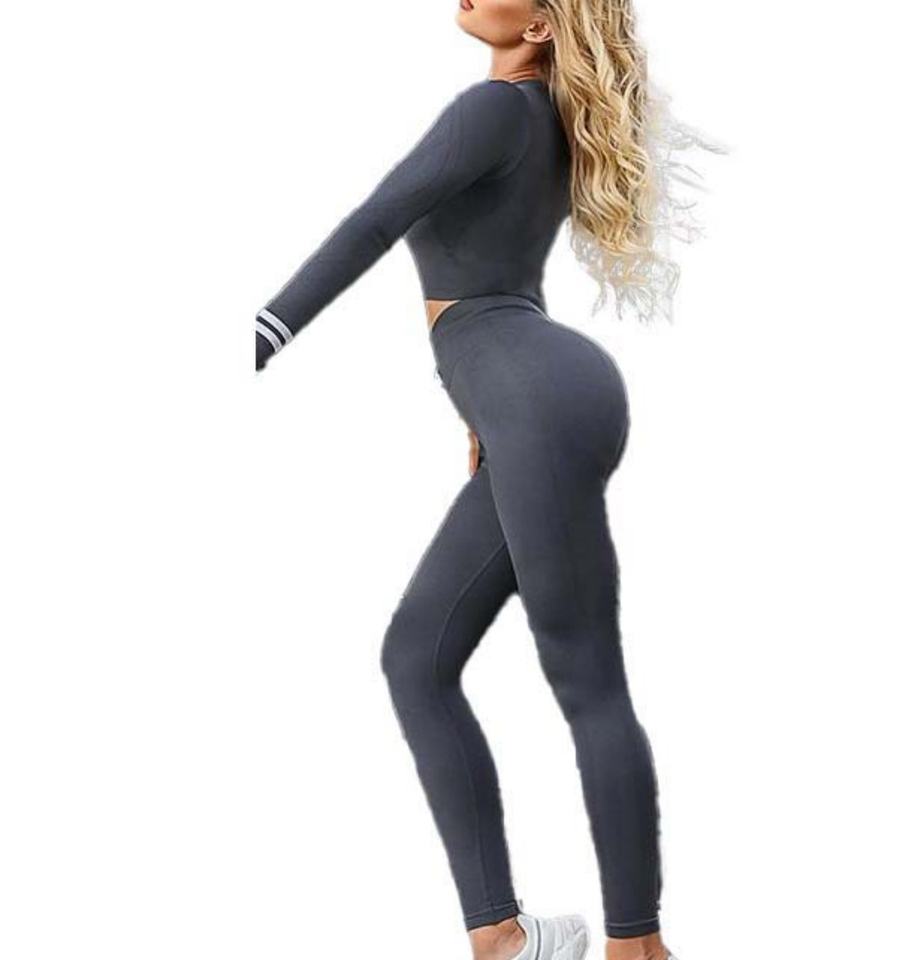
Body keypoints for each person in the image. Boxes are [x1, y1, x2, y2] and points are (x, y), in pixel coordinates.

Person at [256, 3, 717, 958]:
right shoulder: (540, 117)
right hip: (537, 392)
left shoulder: (493, 109)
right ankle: (502, 936)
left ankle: (638, 946)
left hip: (535, 397)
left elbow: (376, 220)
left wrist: (263, 333)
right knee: (416, 658)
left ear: (541, 27)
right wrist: (485, 412)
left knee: (585, 678)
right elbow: (502, 276)